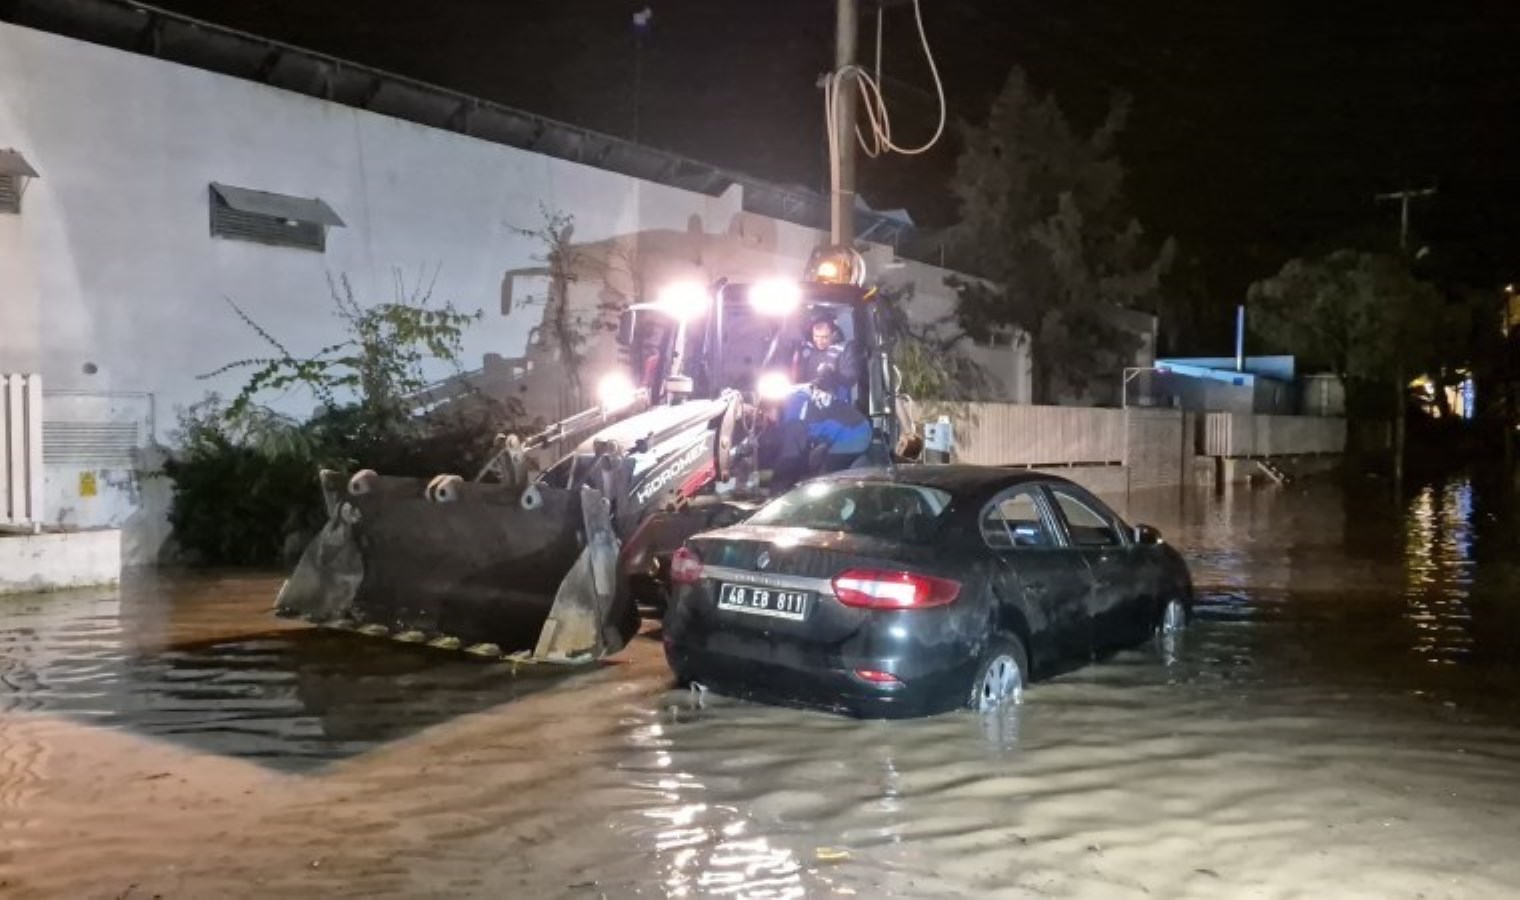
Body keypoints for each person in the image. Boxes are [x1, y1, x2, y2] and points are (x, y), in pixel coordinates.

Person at [769, 371, 873, 492]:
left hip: (853, 434)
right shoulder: (796, 395)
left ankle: (838, 505)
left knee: (829, 482)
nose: (769, 421)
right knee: (815, 461)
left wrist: (778, 489)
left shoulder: (793, 417)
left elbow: (791, 458)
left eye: (766, 414)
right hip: (850, 428)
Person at [792, 314, 857, 403]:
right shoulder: (807, 351)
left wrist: (829, 372)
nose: (819, 341)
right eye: (816, 336)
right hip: (806, 399)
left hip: (834, 402)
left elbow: (850, 379)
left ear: (833, 335)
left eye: (824, 337)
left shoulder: (844, 350)